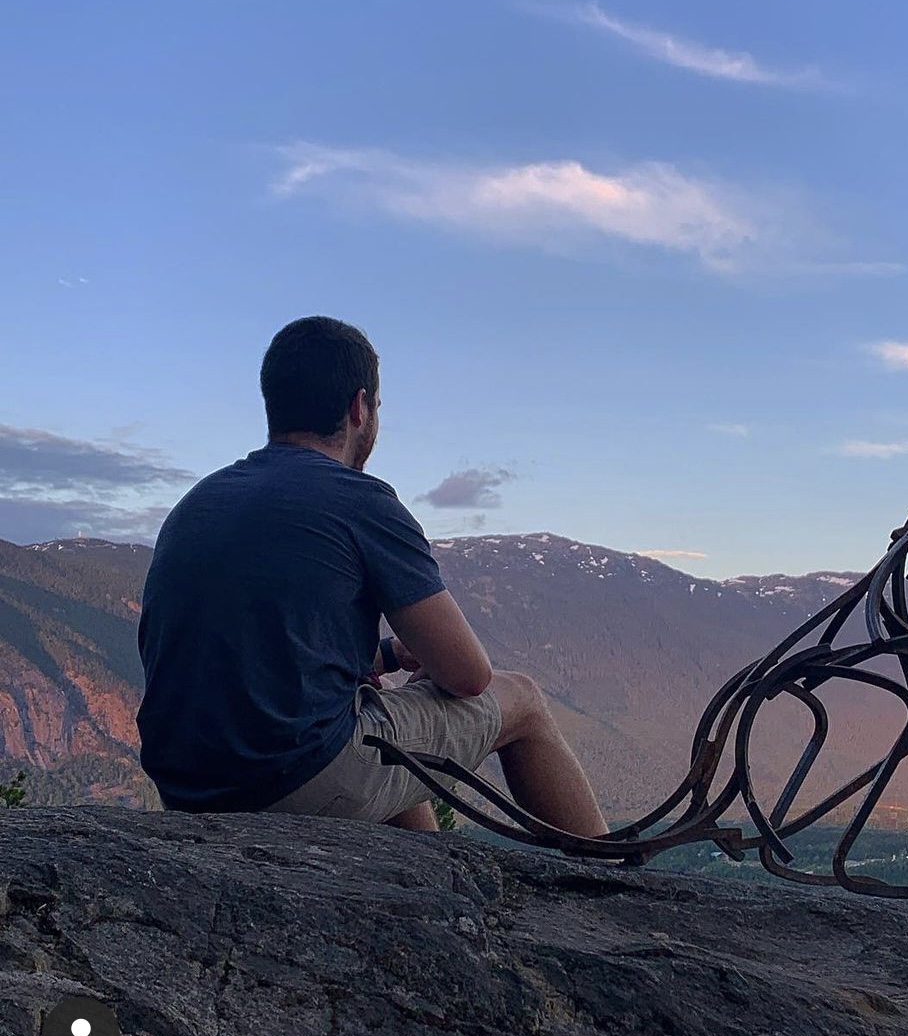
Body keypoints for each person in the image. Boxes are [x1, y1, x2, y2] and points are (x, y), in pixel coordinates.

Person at [136, 316, 607, 839]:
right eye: (378, 408)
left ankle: (433, 880)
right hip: (289, 782)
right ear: (360, 408)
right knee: (522, 699)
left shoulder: (199, 502)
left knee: (370, 726)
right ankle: (613, 880)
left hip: (187, 791)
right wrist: (432, 662)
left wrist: (387, 655)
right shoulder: (360, 501)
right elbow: (469, 677)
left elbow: (265, 655)